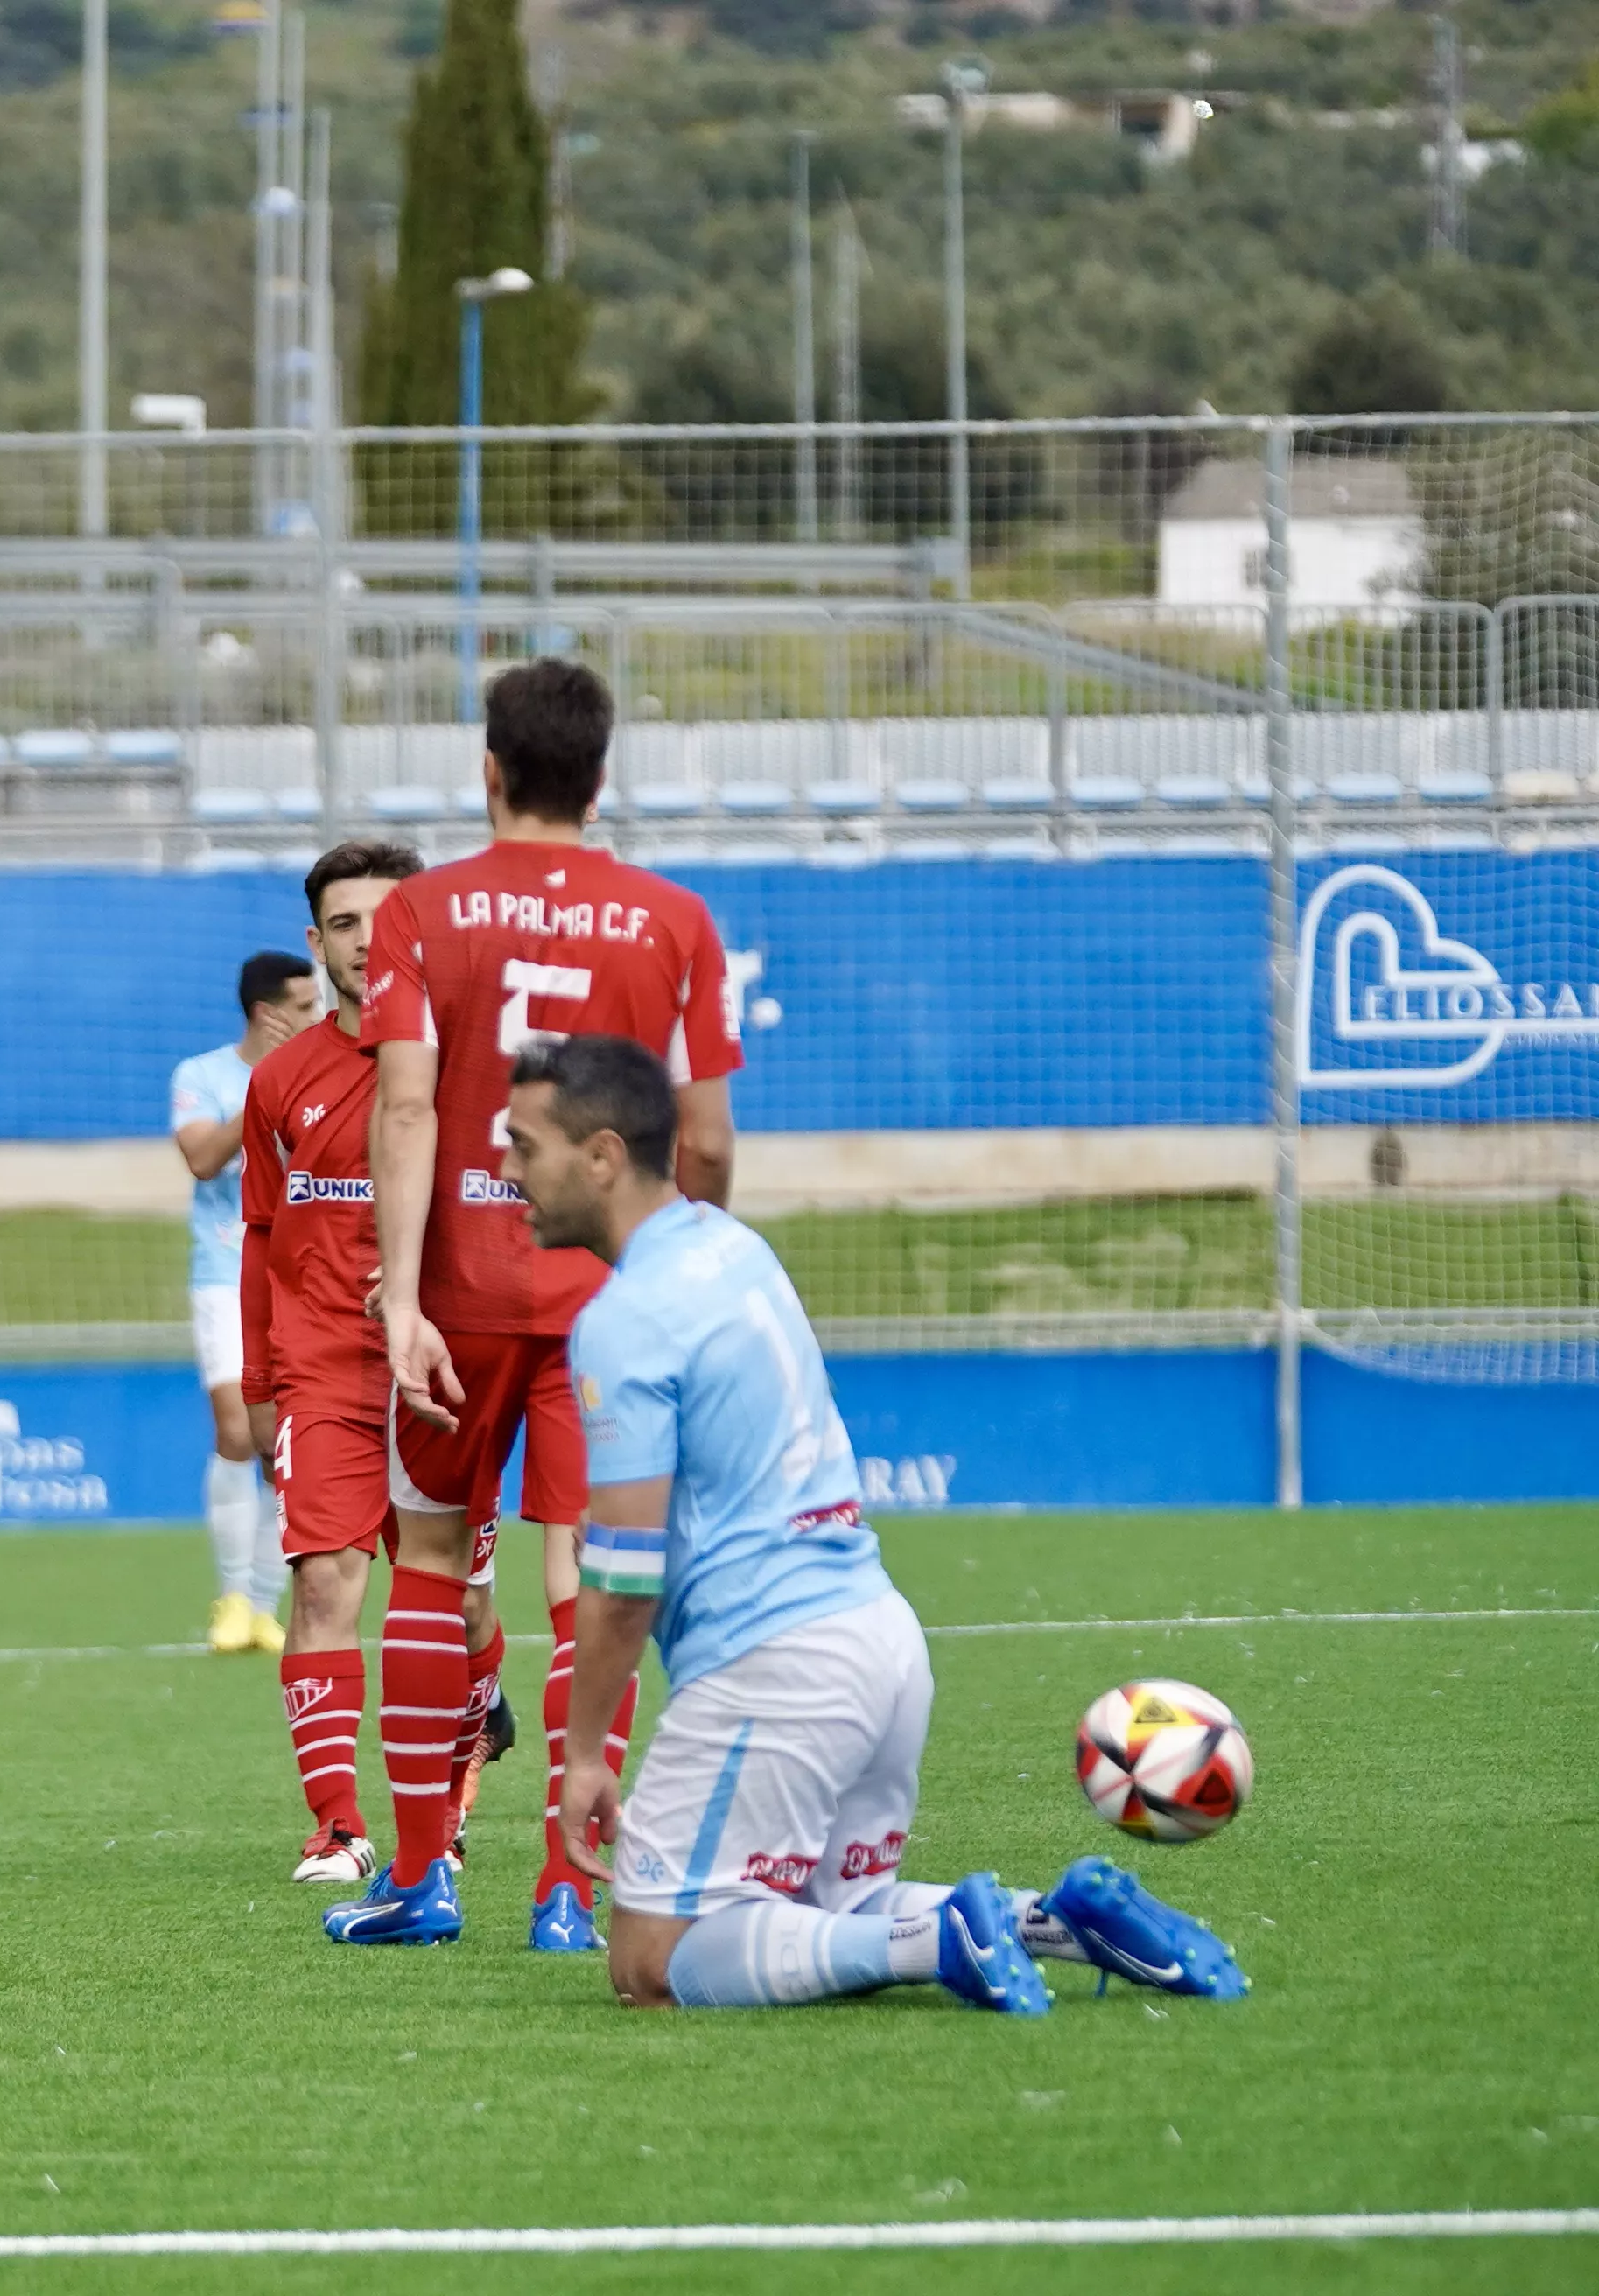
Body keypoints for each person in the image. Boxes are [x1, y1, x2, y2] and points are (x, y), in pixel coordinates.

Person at [508, 1032, 1250, 2013]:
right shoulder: (730, 1246)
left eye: (524, 1145)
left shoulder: (627, 1314)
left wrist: (588, 1750)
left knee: (651, 1958)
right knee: (835, 1902)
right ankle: (1058, 1919)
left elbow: (624, 1570)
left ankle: (941, 1934)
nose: (508, 1169)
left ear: (601, 1155)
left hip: (773, 1665)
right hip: (880, 1640)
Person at [361, 655, 742, 1955]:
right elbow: (706, 1135)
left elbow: (406, 1105)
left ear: (489, 769)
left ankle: (418, 1878)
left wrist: (400, 1297)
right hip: (613, 1298)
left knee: (423, 1559)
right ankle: (568, 1890)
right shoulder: (673, 919)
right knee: (592, 1568)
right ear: (601, 775)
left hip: (458, 1290)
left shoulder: (423, 910)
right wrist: (698, 1269)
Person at [235, 841, 445, 1914]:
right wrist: (259, 1370)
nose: (368, 940)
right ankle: (338, 1824)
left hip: (445, 1370)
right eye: (346, 923)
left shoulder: (469, 1065)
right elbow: (260, 1231)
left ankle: (439, 1821)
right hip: (323, 1369)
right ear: (317, 945)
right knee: (324, 1583)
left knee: (449, 1595)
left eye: (386, 917)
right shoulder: (276, 1080)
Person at [172, 951, 318, 1654]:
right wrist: (267, 1089)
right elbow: (202, 1159)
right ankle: (232, 1596)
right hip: (225, 1274)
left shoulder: (325, 1071)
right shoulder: (201, 1076)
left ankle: (265, 1605)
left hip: (300, 1276)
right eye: (306, 1004)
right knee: (236, 1428)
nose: (318, 1015)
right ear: (270, 1013)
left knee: (278, 1444)